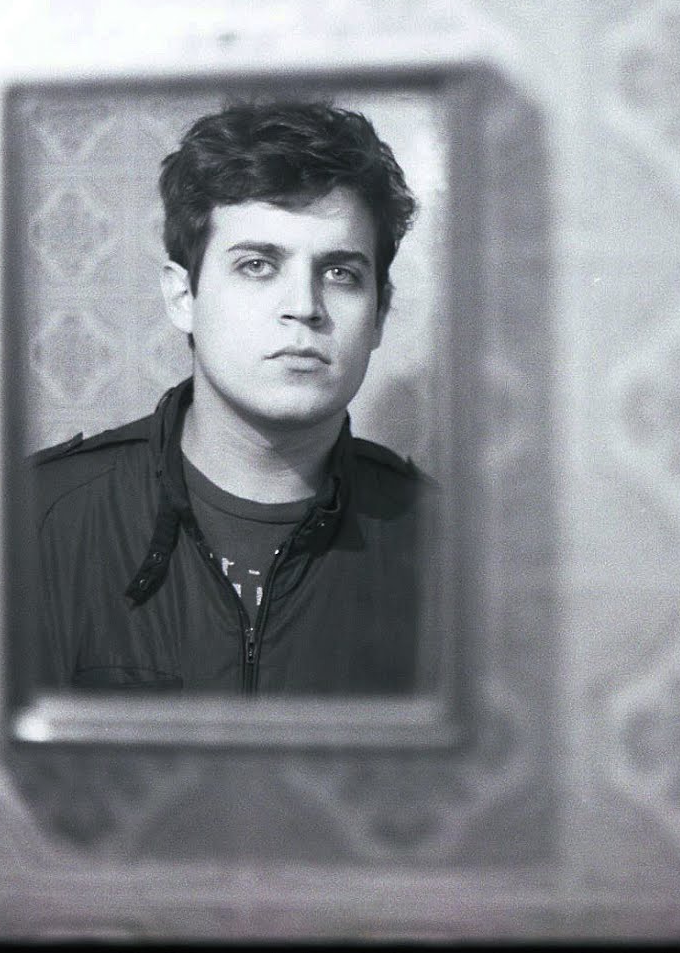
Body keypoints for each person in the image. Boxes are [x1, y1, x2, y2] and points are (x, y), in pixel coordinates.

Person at [26, 100, 431, 695]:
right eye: (258, 265)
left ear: (379, 314)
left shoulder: (441, 543)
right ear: (182, 297)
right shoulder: (38, 519)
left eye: (340, 273)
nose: (304, 307)